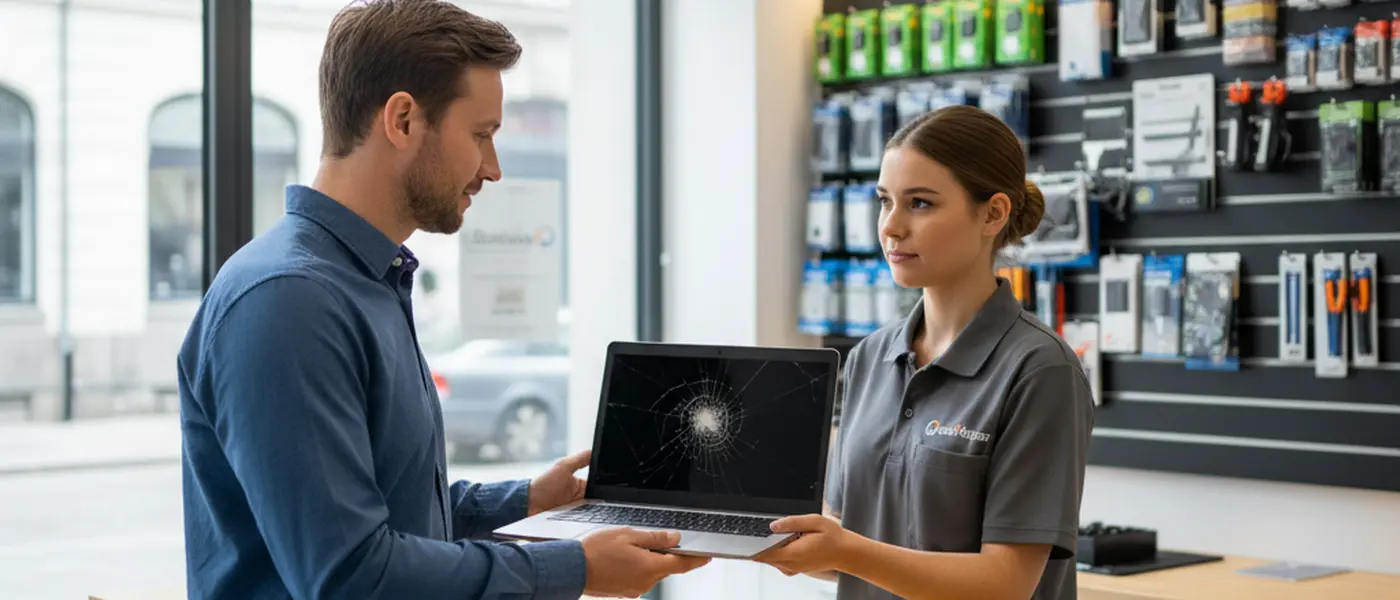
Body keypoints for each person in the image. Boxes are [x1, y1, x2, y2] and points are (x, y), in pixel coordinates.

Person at [176, 1, 708, 598]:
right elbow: (352, 577)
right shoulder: (288, 302)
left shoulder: (362, 280)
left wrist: (527, 501)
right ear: (402, 120)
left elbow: (386, 510)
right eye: (481, 135)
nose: (493, 167)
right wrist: (575, 568)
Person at [755, 105, 1096, 600]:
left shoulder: (1040, 370)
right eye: (884, 201)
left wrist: (844, 550)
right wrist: (768, 533)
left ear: (993, 213)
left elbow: (1005, 584)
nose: (891, 227)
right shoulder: (869, 357)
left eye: (920, 204)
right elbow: (847, 543)